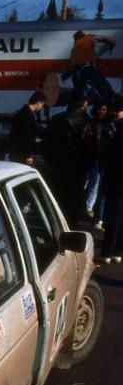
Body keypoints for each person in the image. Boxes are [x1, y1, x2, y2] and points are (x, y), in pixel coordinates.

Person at [43, 98, 93, 226]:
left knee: (58, 195)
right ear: (82, 104)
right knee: (74, 195)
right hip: (77, 166)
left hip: (58, 164)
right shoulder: (86, 121)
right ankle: (72, 223)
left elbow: (47, 143)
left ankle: (57, 222)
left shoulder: (56, 119)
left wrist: (49, 160)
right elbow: (89, 147)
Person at [99, 95, 123, 264]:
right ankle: (118, 250)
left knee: (112, 214)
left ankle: (107, 250)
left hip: (114, 176)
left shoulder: (112, 128)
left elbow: (105, 154)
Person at [65, 30, 116, 105]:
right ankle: (111, 106)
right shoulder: (88, 38)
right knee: (107, 91)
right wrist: (111, 43)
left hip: (76, 74)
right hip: (87, 69)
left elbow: (77, 64)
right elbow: (107, 39)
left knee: (79, 99)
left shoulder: (74, 49)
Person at [84, 102, 112, 228]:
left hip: (100, 159)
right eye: (100, 109)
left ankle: (88, 207)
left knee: (95, 184)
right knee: (86, 182)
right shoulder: (90, 123)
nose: (101, 112)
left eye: (104, 110)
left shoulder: (107, 126)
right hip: (89, 157)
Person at [9, 90, 47, 164]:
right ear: (38, 102)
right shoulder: (28, 115)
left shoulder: (21, 112)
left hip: (15, 152)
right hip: (22, 154)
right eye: (42, 104)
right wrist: (28, 155)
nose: (42, 107)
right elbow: (26, 137)